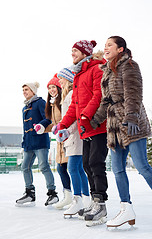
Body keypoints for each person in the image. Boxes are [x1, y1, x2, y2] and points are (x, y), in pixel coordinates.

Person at [90, 36, 152, 231]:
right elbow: (106, 101)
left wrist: (131, 116)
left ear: (121, 48)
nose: (105, 48)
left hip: (131, 123)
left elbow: (134, 93)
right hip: (114, 126)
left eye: (109, 45)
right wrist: (94, 120)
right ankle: (126, 209)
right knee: (118, 169)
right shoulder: (107, 71)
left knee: (142, 165)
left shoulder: (129, 65)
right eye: (104, 46)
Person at [56, 40, 108, 226]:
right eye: (71, 51)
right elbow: (74, 107)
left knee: (95, 163)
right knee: (86, 164)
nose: (72, 54)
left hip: (97, 125)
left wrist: (86, 116)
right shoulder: (79, 75)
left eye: (75, 51)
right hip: (85, 128)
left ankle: (100, 203)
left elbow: (98, 95)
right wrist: (62, 124)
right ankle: (94, 202)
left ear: (85, 52)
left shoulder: (96, 68)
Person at [54, 67, 91, 217]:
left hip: (74, 137)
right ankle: (85, 199)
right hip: (72, 136)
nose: (59, 82)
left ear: (68, 79)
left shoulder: (70, 95)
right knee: (78, 169)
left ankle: (78, 200)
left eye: (61, 78)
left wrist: (66, 131)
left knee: (73, 168)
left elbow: (75, 118)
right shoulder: (67, 96)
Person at [16, 82, 59, 207]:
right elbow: (25, 127)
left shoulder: (40, 102)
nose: (24, 92)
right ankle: (30, 193)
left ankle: (52, 193)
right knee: (25, 166)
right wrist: (24, 142)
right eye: (23, 90)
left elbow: (48, 118)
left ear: (33, 91)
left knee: (43, 166)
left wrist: (41, 125)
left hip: (40, 141)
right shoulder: (24, 108)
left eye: (26, 89)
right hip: (29, 143)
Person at [43, 75, 72, 209]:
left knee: (72, 168)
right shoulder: (52, 104)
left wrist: (59, 127)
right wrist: (42, 128)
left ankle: (79, 196)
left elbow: (66, 119)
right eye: (49, 88)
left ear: (59, 88)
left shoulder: (63, 101)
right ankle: (68, 195)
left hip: (68, 138)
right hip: (60, 140)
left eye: (53, 87)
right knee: (61, 168)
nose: (51, 90)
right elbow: (54, 124)